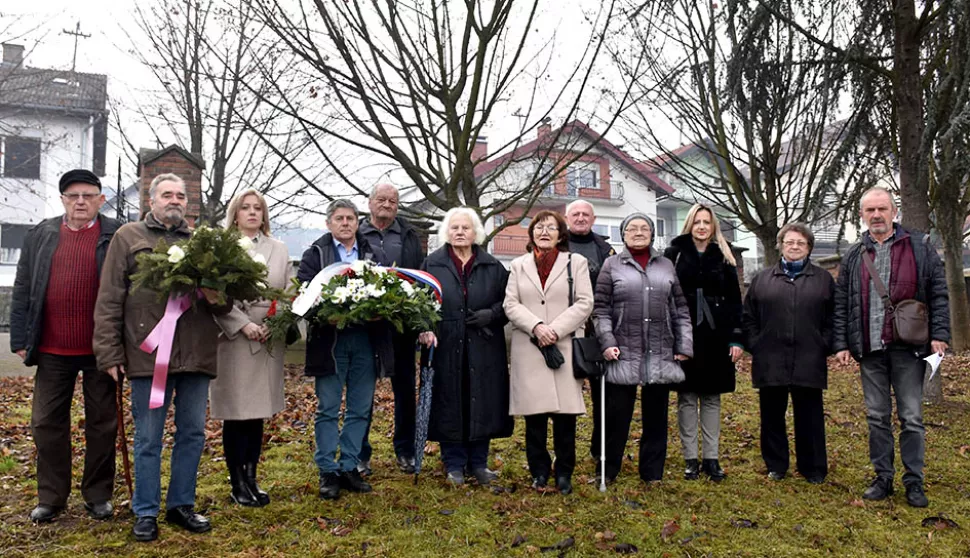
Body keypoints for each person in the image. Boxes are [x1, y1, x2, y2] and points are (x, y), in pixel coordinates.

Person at [93, 173, 230, 542]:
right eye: (166, 194)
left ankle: (181, 504)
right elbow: (109, 299)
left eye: (181, 196)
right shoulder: (129, 237)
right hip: (148, 355)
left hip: (196, 355)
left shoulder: (206, 243)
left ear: (189, 203)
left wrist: (219, 294)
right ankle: (146, 511)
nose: (174, 200)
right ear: (150, 200)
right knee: (149, 438)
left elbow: (225, 301)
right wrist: (108, 353)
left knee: (192, 433)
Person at [10, 169, 122, 523]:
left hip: (100, 349)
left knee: (103, 424)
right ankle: (52, 497)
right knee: (45, 423)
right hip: (52, 349)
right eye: (73, 196)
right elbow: (24, 284)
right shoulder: (41, 234)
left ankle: (98, 494)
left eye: (88, 195)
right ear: (62, 200)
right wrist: (18, 337)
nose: (80, 202)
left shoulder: (115, 235)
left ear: (100, 200)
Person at [833, 187, 949, 507]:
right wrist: (842, 343)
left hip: (908, 348)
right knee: (876, 417)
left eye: (882, 209)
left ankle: (914, 480)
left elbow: (938, 293)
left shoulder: (919, 246)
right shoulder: (855, 254)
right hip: (869, 349)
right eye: (870, 210)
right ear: (862, 215)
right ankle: (883, 476)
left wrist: (940, 334)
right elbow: (842, 302)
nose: (876, 215)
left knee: (911, 417)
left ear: (894, 211)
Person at [297, 199, 392, 501]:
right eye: (339, 218)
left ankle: (349, 465)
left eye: (350, 218)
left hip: (365, 340)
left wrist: (381, 311)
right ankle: (327, 469)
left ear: (357, 221)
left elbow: (386, 292)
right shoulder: (316, 254)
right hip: (330, 342)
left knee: (360, 407)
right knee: (327, 408)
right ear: (329, 223)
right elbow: (301, 296)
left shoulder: (372, 254)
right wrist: (325, 315)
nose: (346, 223)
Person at [593, 213, 692, 483]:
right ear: (623, 235)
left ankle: (652, 473)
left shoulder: (666, 265)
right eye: (632, 229)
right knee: (617, 416)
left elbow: (680, 309)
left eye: (644, 228)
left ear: (651, 234)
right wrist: (607, 342)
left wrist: (684, 345)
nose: (639, 232)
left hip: (660, 351)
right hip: (623, 351)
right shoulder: (611, 265)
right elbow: (600, 310)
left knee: (656, 417)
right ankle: (607, 470)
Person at [417, 207, 512, 486]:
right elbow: (419, 304)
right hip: (444, 343)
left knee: (482, 400)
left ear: (476, 233)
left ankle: (479, 463)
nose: (460, 232)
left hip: (483, 344)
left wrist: (491, 315)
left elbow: (509, 304)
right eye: (455, 227)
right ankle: (454, 463)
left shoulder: (493, 266)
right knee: (449, 399)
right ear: (447, 231)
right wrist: (425, 328)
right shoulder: (431, 264)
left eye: (465, 228)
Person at [210, 189, 290, 507]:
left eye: (258, 208)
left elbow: (287, 291)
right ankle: (237, 482)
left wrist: (274, 322)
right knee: (237, 413)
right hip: (234, 336)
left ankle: (252, 478)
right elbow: (213, 293)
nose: (252, 213)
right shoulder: (222, 247)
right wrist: (243, 324)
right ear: (236, 213)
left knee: (256, 413)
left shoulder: (279, 249)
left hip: (267, 336)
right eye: (246, 208)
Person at [504, 210, 593, 495]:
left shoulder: (575, 263)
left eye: (551, 228)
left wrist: (554, 329)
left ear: (561, 234)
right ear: (531, 234)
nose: (544, 232)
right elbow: (511, 304)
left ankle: (564, 472)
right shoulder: (518, 265)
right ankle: (539, 472)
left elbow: (584, 302)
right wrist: (537, 326)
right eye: (539, 228)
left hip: (563, 345)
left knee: (565, 417)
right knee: (535, 418)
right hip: (530, 347)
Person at [743, 223, 834, 485]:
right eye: (789, 242)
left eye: (801, 243)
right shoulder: (762, 279)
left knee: (810, 416)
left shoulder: (823, 279)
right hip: (770, 357)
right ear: (781, 245)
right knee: (772, 414)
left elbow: (833, 317)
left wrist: (823, 343)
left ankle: (813, 468)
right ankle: (776, 464)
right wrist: (756, 343)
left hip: (809, 356)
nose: (794, 247)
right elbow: (748, 316)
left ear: (809, 248)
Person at [664, 204, 743, 482]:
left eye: (706, 222)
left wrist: (736, 338)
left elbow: (735, 300)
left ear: (713, 226)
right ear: (689, 224)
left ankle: (711, 458)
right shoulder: (673, 254)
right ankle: (690, 460)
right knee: (687, 398)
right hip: (684, 335)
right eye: (697, 222)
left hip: (716, 336)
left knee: (711, 398)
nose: (701, 227)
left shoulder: (724, 255)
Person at [358, 183, 426, 476]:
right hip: (366, 326)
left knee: (404, 391)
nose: (387, 204)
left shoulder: (409, 235)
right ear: (370, 202)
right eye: (381, 199)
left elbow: (421, 276)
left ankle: (406, 450)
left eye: (393, 201)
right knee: (363, 392)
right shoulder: (357, 234)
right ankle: (359, 452)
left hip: (401, 327)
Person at [563, 200, 615, 459]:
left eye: (586, 214)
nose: (581, 218)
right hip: (563, 329)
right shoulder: (556, 247)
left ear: (593, 219)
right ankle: (565, 454)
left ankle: (600, 451)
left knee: (603, 395)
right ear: (567, 218)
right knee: (565, 395)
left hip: (598, 330)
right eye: (576, 214)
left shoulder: (606, 250)